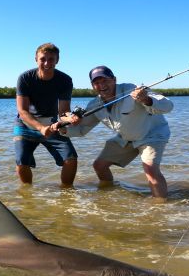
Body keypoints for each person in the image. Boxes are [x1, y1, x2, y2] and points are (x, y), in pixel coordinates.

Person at [61, 66, 174, 200]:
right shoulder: (94, 104)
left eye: (105, 81)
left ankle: (160, 208)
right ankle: (108, 195)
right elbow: (81, 129)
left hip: (152, 135)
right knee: (99, 165)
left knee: (150, 169)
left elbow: (168, 105)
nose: (102, 85)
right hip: (127, 137)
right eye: (97, 82)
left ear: (114, 80)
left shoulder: (134, 89)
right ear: (92, 86)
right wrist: (63, 129)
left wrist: (146, 99)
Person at [14, 43, 78, 187]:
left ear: (57, 60)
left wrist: (70, 118)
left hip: (52, 124)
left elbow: (63, 111)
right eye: (43, 59)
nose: (47, 63)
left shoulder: (65, 80)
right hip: (25, 124)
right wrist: (41, 128)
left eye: (51, 59)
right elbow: (22, 111)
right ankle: (27, 193)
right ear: (36, 59)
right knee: (21, 162)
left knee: (71, 159)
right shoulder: (25, 78)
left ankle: (67, 194)